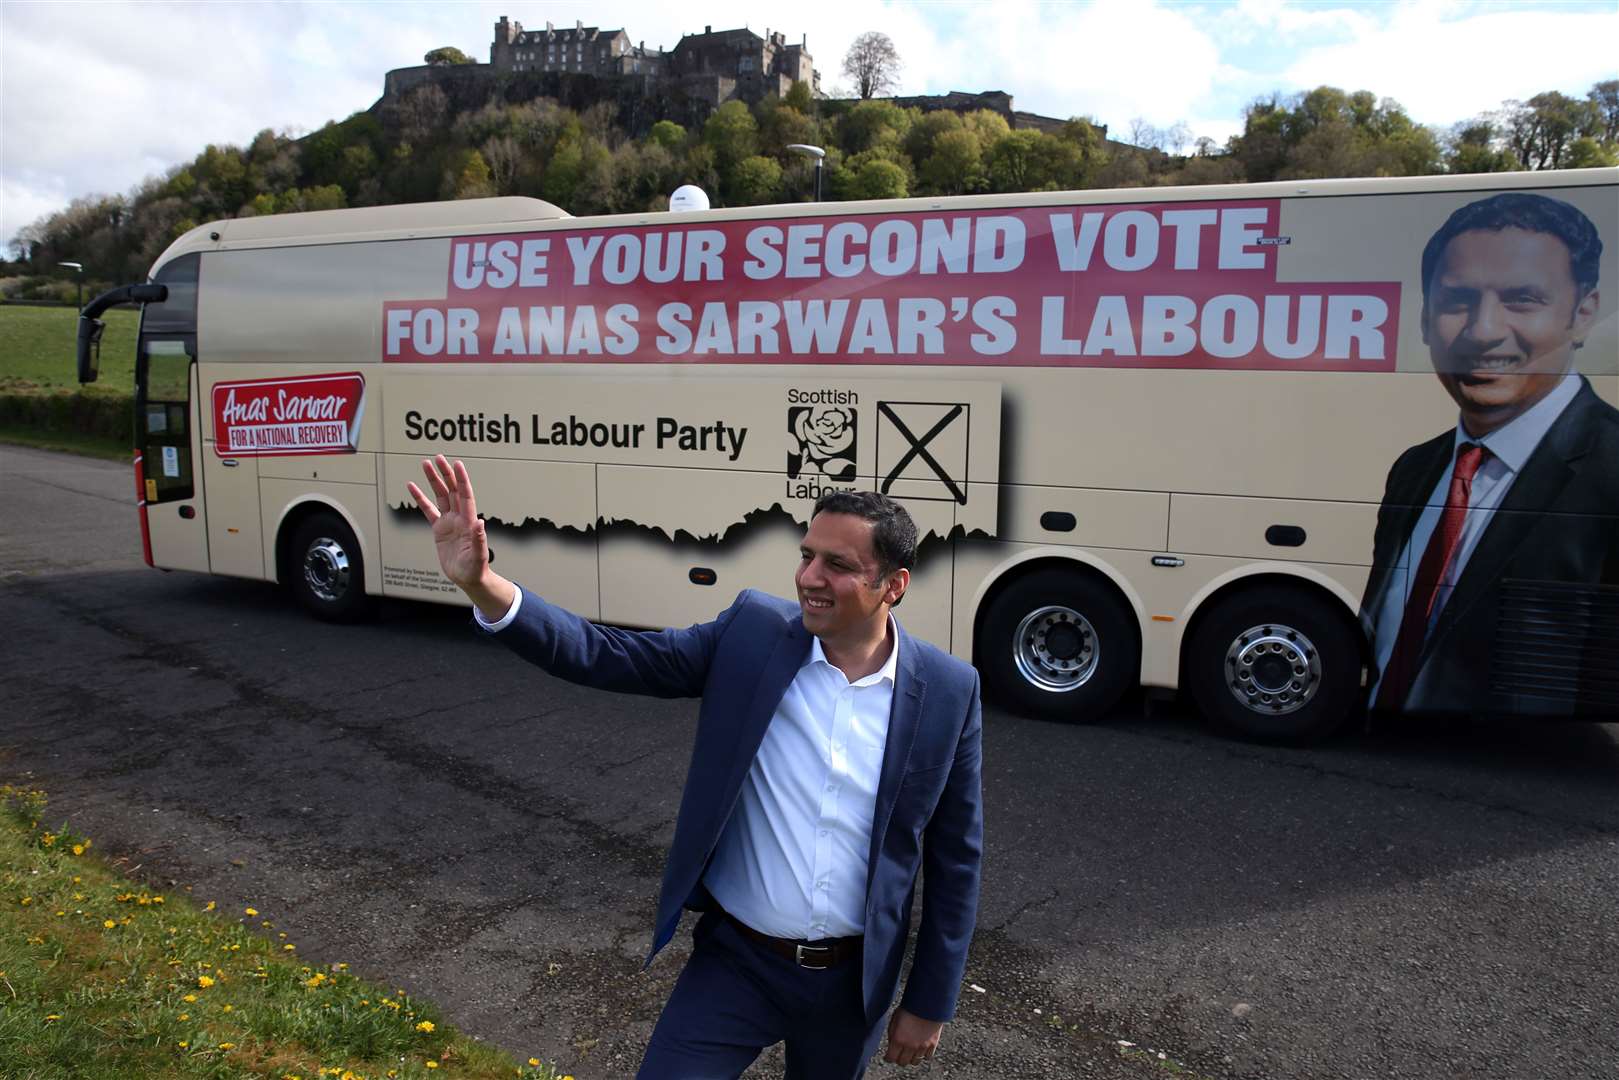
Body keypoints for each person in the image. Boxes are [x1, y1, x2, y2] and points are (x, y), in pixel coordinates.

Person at [407, 455, 983, 1079]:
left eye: (838, 565)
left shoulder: (949, 691)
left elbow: (956, 858)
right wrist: (481, 584)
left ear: (893, 585)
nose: (809, 577)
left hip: (854, 985)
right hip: (737, 965)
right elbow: (607, 654)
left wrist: (929, 1001)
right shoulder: (752, 635)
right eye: (806, 554)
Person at [1361, 192, 1619, 715]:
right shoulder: (1416, 468)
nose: (1482, 332)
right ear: (1426, 318)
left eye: (1522, 300)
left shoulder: (1610, 469)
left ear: (1584, 312)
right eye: (1457, 301)